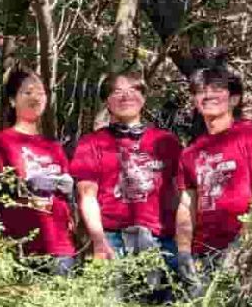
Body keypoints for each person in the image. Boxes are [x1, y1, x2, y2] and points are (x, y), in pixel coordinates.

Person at [70, 70, 185, 294]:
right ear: (107, 101)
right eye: (117, 92)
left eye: (133, 90)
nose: (126, 97)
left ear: (143, 97)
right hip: (113, 237)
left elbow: (177, 194)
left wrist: (183, 241)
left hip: (161, 238)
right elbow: (87, 196)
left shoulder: (166, 141)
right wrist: (98, 241)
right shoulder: (92, 142)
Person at [176, 61, 252, 287]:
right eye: (201, 91)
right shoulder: (190, 153)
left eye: (217, 89)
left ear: (234, 99)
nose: (208, 95)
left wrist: (243, 245)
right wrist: (183, 250)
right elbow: (187, 204)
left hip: (246, 251)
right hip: (203, 254)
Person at [0, 67, 76, 276]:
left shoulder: (54, 147)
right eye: (27, 92)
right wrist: (26, 185)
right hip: (20, 245)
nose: (35, 97)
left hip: (61, 247)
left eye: (41, 93)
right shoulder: (1, 142)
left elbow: (67, 197)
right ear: (12, 100)